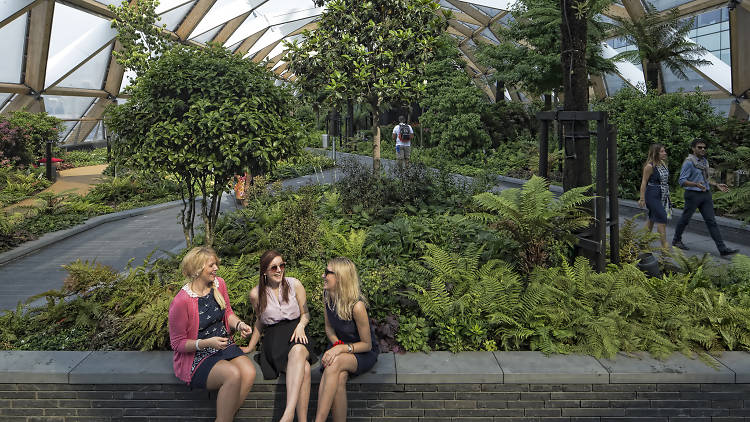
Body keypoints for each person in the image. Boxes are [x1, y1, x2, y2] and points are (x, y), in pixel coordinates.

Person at [168, 246, 255, 422]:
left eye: (216, 264)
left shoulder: (219, 284)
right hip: (197, 355)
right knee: (232, 375)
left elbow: (228, 313)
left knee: (249, 371)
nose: (216, 268)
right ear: (197, 269)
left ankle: (224, 418)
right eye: (211, 265)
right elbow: (177, 344)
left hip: (222, 345)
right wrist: (206, 343)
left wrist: (239, 324)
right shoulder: (181, 301)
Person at [242, 250, 316, 422]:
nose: (279, 270)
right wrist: (250, 346)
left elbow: (306, 314)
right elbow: (260, 322)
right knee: (304, 368)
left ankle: (288, 415)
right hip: (274, 341)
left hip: (298, 334)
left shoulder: (294, 284)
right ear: (264, 271)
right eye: (273, 267)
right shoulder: (256, 294)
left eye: (281, 265)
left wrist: (301, 326)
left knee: (298, 351)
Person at [314, 257, 378, 422]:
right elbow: (329, 328)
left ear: (340, 277)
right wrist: (336, 344)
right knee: (339, 379)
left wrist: (340, 349)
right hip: (340, 345)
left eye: (328, 272)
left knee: (333, 363)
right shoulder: (327, 295)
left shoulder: (357, 306)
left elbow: (367, 344)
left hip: (362, 352)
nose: (323, 275)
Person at [672, 138, 739, 257]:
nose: (703, 149)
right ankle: (676, 240)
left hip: (705, 194)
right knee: (685, 219)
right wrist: (695, 184)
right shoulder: (689, 162)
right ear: (693, 148)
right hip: (693, 195)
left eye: (704, 147)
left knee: (711, 221)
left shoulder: (704, 162)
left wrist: (716, 184)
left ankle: (722, 249)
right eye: (699, 147)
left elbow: (705, 179)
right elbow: (682, 181)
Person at [638, 144, 672, 250]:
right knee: (662, 217)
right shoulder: (649, 166)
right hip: (652, 195)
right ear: (656, 153)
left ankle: (643, 242)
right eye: (662, 151)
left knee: (652, 219)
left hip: (663, 194)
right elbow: (644, 183)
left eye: (664, 151)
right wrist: (642, 198)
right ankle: (664, 246)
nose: (665, 153)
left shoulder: (663, 164)